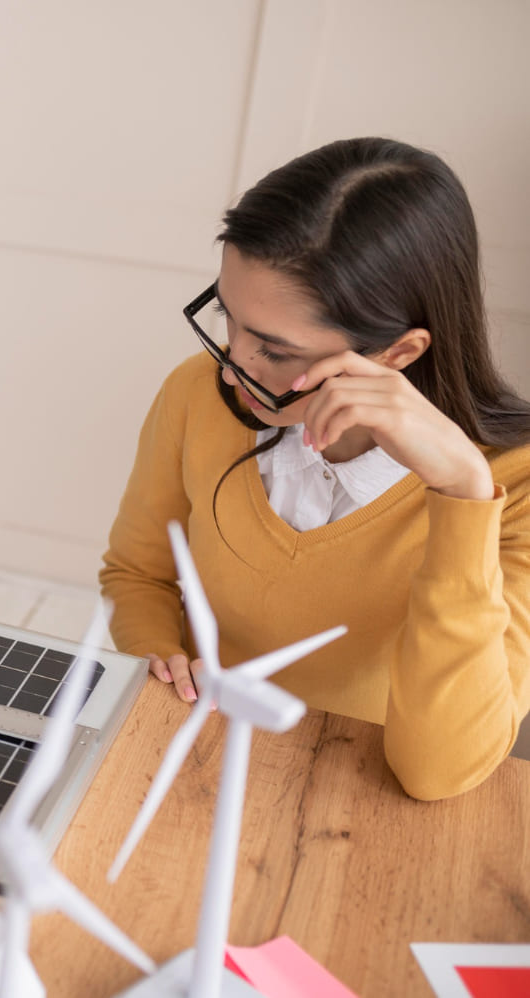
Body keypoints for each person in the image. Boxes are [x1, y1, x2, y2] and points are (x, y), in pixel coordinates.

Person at [99, 137, 530, 800]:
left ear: (397, 352)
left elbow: (440, 772)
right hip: (180, 758)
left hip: (349, 809)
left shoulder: (514, 487)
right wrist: (158, 659)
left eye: (272, 349)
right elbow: (138, 573)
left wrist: (461, 493)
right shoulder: (197, 394)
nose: (230, 363)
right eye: (225, 316)